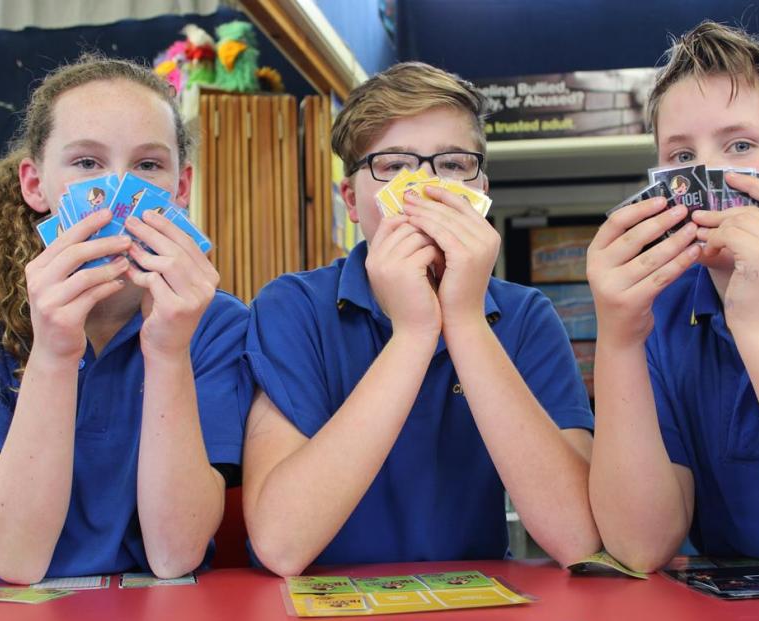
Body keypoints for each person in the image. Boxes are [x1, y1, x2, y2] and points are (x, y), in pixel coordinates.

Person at [242, 61, 599, 577]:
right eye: (392, 165)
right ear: (352, 203)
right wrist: (413, 333)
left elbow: (580, 539)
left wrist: (465, 318)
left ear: (482, 190)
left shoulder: (526, 317)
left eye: (454, 164)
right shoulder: (290, 308)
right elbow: (280, 543)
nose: (427, 187)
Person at [0, 55, 251, 584]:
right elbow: (16, 557)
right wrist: (55, 351)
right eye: (86, 163)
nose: (118, 189)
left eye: (147, 166)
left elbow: (175, 554)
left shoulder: (217, 323)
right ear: (34, 184)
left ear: (180, 187)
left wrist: (167, 351)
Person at [586, 21, 759, 599]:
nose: (706, 176)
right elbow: (639, 546)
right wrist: (617, 337)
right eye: (682, 154)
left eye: (740, 146)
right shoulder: (663, 310)